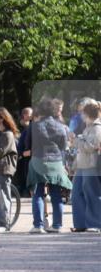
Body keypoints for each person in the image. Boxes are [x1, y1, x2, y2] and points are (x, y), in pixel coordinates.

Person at [26, 98, 72, 234]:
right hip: (56, 161)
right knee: (56, 194)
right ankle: (57, 225)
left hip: (38, 160)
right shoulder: (61, 126)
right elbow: (64, 146)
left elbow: (28, 144)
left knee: (38, 193)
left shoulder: (34, 126)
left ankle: (38, 225)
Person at [70, 100, 101, 232]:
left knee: (92, 194)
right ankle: (80, 223)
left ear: (87, 113)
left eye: (82, 113)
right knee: (76, 193)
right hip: (82, 165)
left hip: (91, 165)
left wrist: (76, 140)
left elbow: (90, 146)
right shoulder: (88, 127)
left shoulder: (97, 127)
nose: (81, 115)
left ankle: (94, 224)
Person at [15, 106, 34, 195]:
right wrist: (22, 153)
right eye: (30, 115)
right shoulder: (22, 127)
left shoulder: (30, 126)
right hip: (24, 157)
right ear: (25, 115)